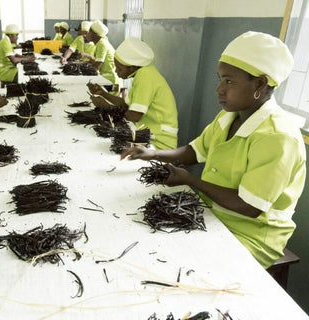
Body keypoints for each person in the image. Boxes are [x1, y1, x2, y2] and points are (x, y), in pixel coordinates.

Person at [121, 31, 306, 269]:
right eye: (220, 79)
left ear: (260, 83)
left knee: (176, 266)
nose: (219, 89)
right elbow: (194, 151)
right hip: (212, 213)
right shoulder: (229, 116)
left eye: (229, 81)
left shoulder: (277, 136)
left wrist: (191, 180)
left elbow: (249, 206)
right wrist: (152, 153)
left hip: (251, 235)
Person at [87, 37, 178, 150]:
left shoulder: (145, 76)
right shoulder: (143, 73)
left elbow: (134, 116)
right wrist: (102, 93)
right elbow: (125, 105)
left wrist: (105, 106)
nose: (116, 71)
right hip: (149, 134)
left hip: (160, 142)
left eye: (119, 68)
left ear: (133, 67)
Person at [81, 20, 122, 92]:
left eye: (89, 31)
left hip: (110, 81)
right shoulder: (99, 43)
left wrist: (80, 71)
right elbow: (96, 62)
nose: (87, 34)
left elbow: (97, 66)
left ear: (96, 34)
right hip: (106, 78)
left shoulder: (102, 44)